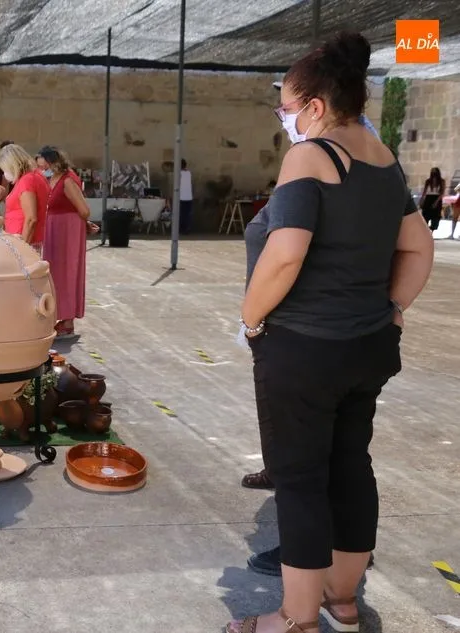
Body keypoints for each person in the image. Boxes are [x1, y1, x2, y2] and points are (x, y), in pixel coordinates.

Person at [229, 32, 433, 633]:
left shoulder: (312, 155)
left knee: (300, 480)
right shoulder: (382, 155)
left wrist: (250, 318)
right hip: (367, 346)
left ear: (315, 106)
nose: (285, 119)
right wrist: (393, 308)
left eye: (287, 108)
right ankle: (341, 601)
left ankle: (295, 618)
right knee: (350, 466)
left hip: (304, 349)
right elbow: (417, 247)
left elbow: (286, 255)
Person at [36, 146, 92, 338]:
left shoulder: (67, 180)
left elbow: (83, 209)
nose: (42, 170)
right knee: (57, 272)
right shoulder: (54, 178)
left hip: (67, 230)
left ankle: (68, 319)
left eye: (44, 166)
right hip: (57, 228)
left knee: (68, 271)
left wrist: (81, 224)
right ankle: (62, 316)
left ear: (53, 163)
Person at [0, 143, 49, 248]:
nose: (5, 173)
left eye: (5, 169)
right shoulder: (35, 175)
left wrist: (22, 248)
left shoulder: (27, 180)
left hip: (24, 241)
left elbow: (31, 218)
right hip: (26, 239)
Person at [420, 167, 445, 232]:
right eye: (432, 172)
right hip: (428, 199)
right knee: (425, 216)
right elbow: (424, 192)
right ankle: (425, 231)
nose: (433, 173)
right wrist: (422, 199)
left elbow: (442, 193)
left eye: (435, 172)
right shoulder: (428, 181)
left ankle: (432, 231)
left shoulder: (441, 181)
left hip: (437, 199)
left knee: (435, 217)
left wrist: (436, 202)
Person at [179, 159, 194, 234]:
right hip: (189, 197)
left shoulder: (179, 173)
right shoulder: (188, 173)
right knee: (187, 214)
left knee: (181, 214)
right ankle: (187, 228)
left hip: (181, 197)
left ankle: (182, 229)